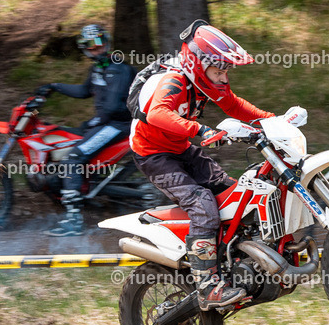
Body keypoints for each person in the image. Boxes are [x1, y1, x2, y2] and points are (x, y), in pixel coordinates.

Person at [130, 19, 274, 310]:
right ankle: (208, 285)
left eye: (225, 71)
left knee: (234, 195)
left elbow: (234, 105)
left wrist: (274, 121)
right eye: (218, 70)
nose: (222, 78)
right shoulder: (173, 79)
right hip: (154, 155)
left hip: (180, 148)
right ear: (198, 64)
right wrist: (201, 130)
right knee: (203, 203)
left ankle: (229, 260)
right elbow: (157, 114)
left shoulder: (205, 81)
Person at [37, 24, 136, 236]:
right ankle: (83, 189)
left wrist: (95, 121)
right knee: (70, 142)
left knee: (73, 158)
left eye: (98, 43)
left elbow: (112, 107)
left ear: (106, 42)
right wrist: (54, 86)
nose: (95, 49)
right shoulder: (97, 68)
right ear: (84, 48)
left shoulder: (119, 68)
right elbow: (84, 91)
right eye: (89, 46)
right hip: (104, 123)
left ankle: (73, 221)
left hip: (118, 125)